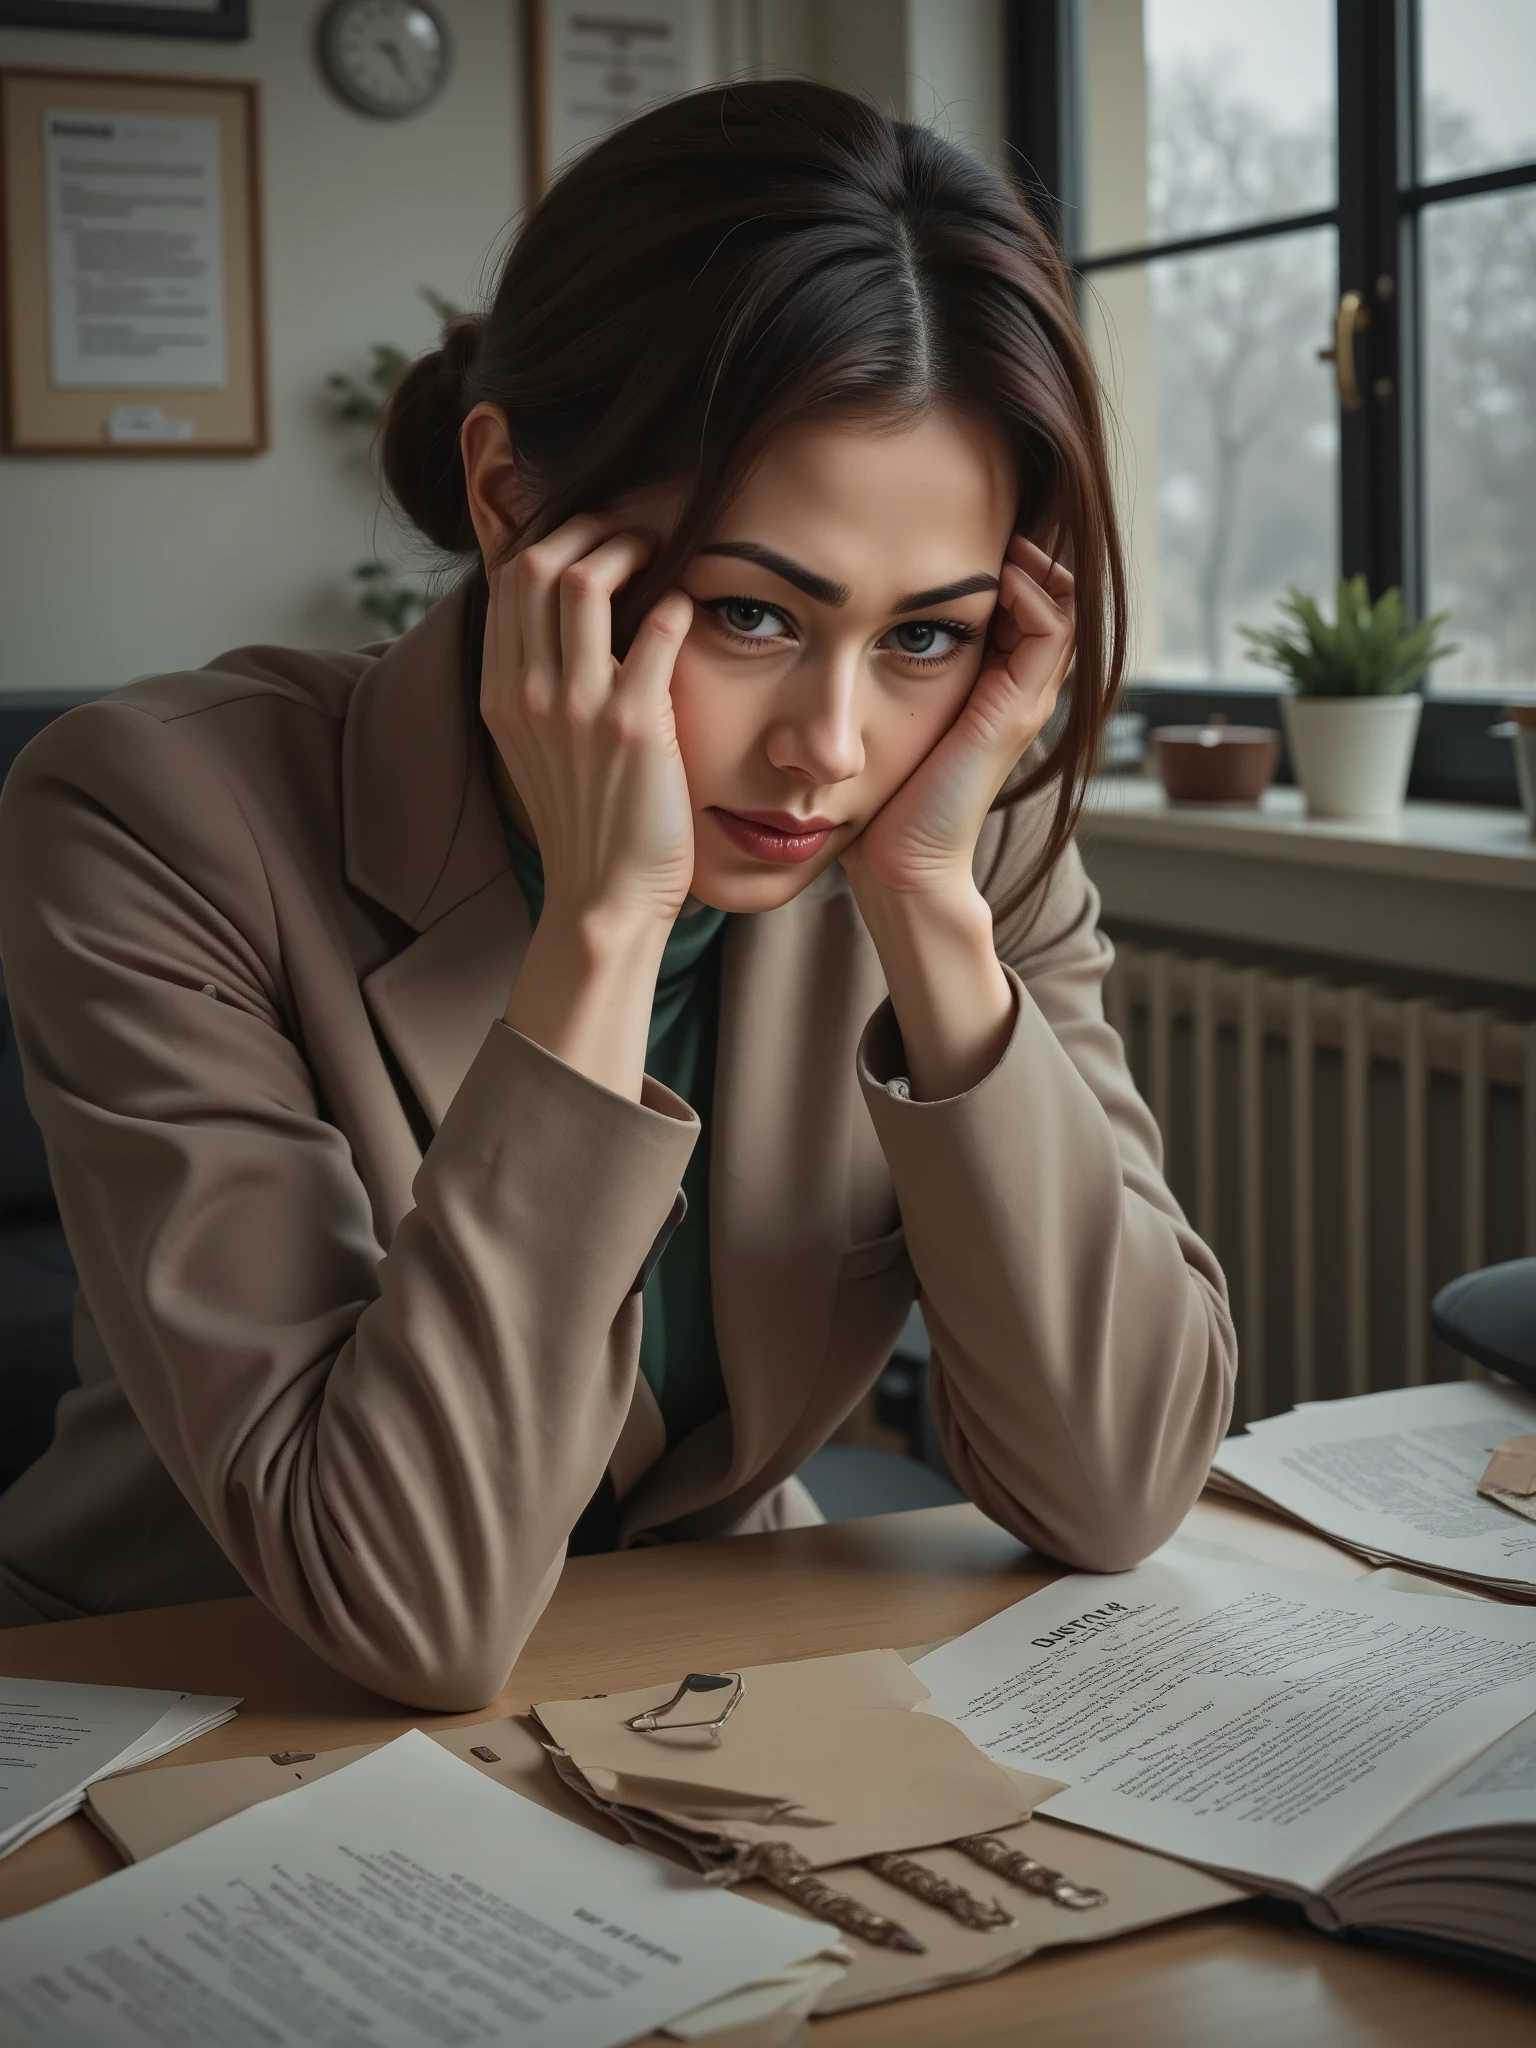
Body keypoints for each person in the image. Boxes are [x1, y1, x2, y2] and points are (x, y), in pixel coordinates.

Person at [0, 82, 1234, 1708]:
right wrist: (603, 926)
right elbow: (408, 1608)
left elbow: (1119, 1485)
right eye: (747, 614)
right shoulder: (155, 817)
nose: (832, 749)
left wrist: (935, 911)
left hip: (694, 1692)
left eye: (925, 634)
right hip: (190, 1704)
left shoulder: (960, 830)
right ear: (512, 502)